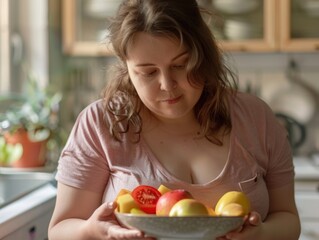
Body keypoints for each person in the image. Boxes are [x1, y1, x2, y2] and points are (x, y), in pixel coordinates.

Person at [48, 0, 301, 239]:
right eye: (147, 72)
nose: (167, 85)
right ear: (127, 67)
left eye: (180, 65)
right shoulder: (99, 123)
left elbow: (288, 218)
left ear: (203, 54)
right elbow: (59, 230)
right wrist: (91, 232)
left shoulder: (256, 118)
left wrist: (263, 234)